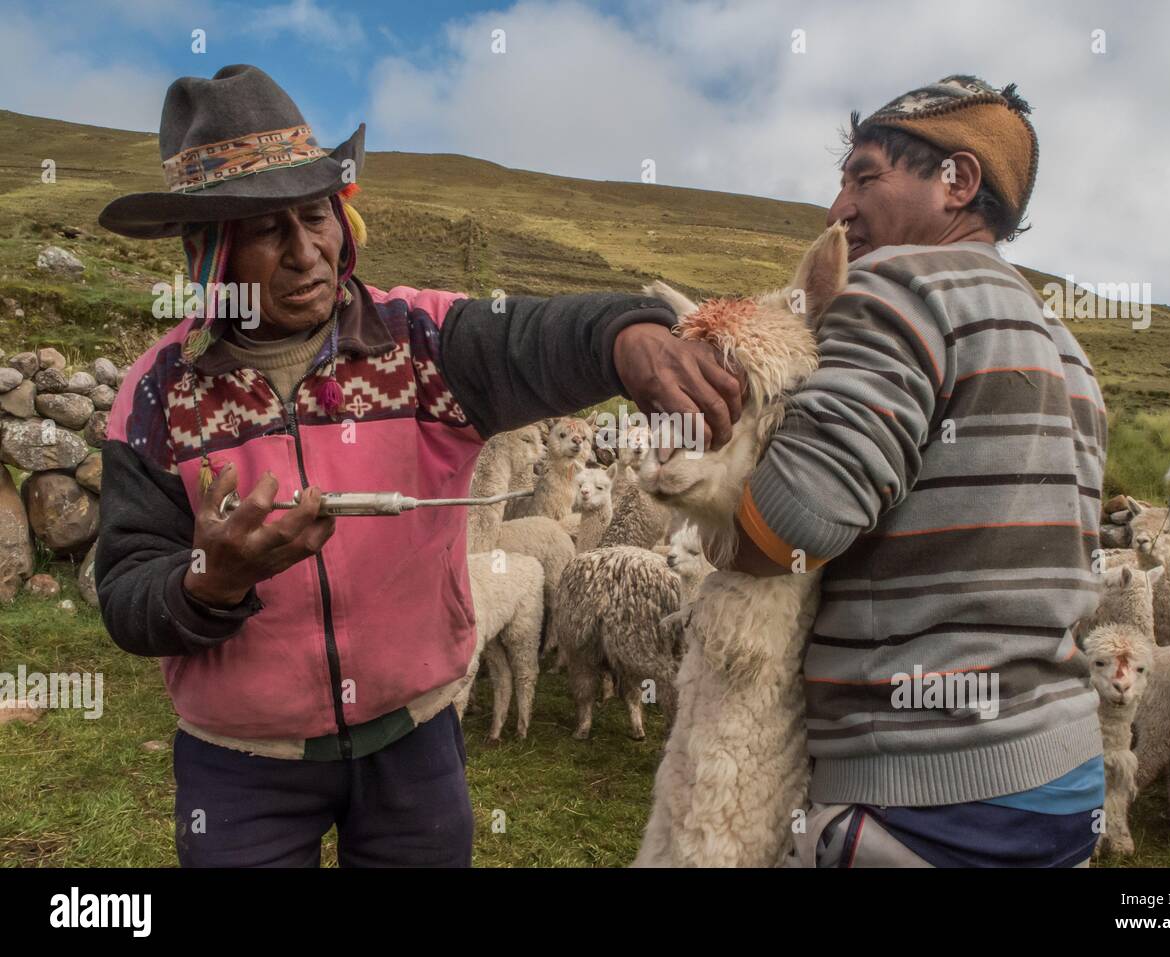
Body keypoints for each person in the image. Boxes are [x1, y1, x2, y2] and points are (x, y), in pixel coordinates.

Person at [94, 64, 742, 867]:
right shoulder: (158, 396)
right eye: (267, 229)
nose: (307, 252)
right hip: (241, 766)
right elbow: (125, 592)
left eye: (316, 215)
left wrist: (627, 336)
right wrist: (209, 580)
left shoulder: (424, 344)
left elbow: (537, 338)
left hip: (415, 743)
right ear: (209, 250)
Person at [730, 76, 1108, 867]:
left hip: (924, 789)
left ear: (957, 183)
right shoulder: (1068, 351)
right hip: (1063, 778)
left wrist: (720, 541)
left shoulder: (898, 287)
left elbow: (794, 524)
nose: (838, 209)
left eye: (865, 177)